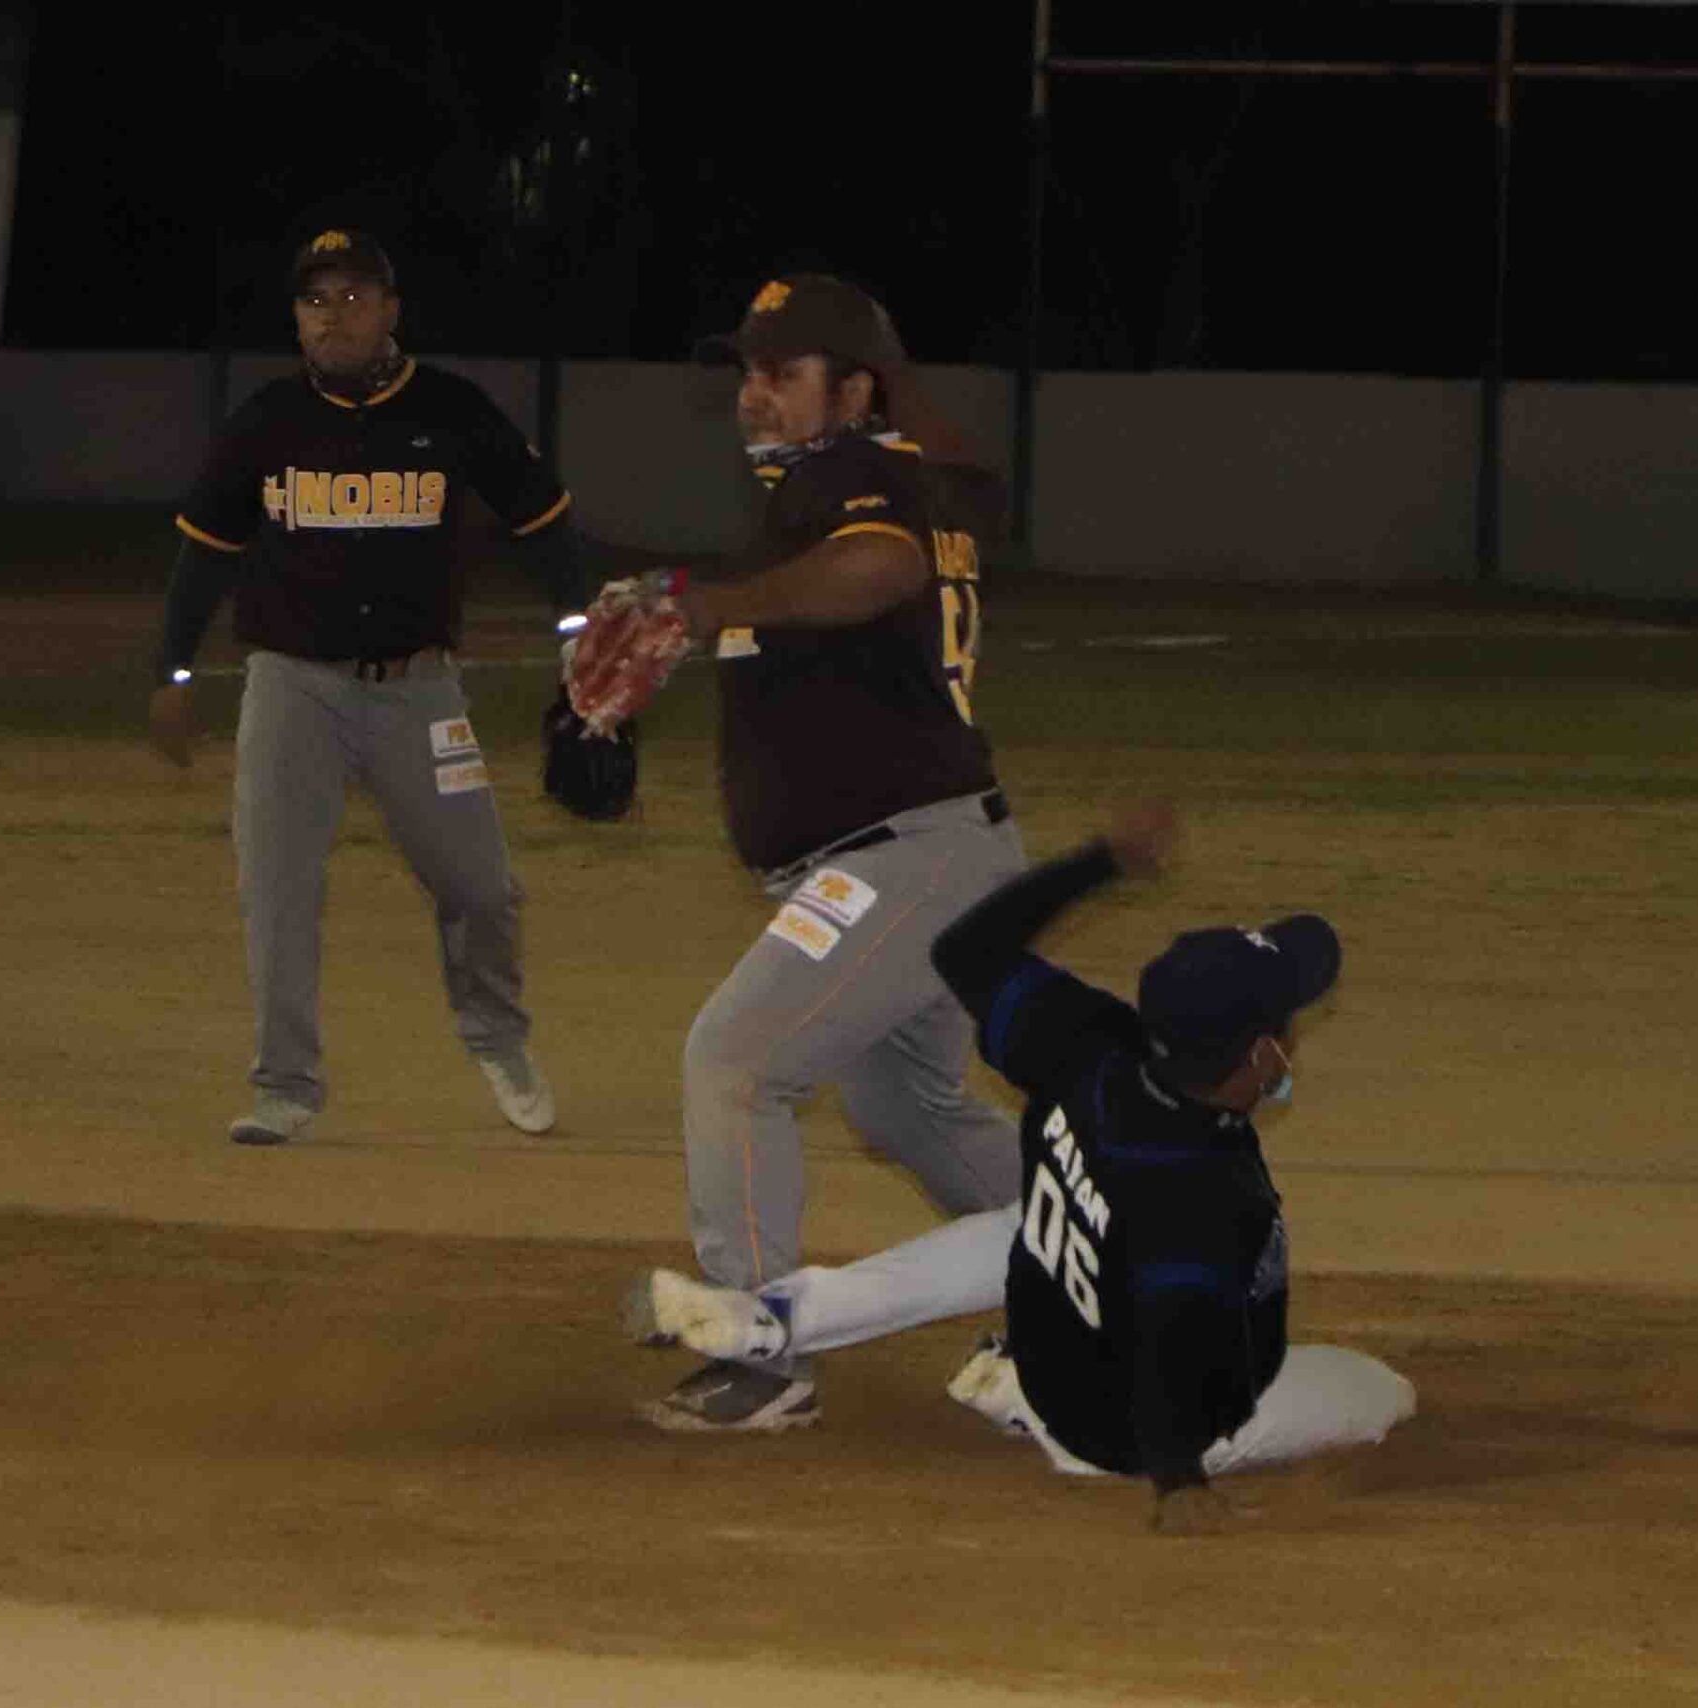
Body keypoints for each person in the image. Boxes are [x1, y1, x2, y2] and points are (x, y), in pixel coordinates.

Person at [622, 804, 1417, 1534]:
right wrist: (1181, 1483)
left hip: (1057, 1329)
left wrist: (1099, 863)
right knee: (1383, 1393)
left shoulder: (1093, 1043)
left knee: (1019, 1230)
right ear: (1261, 1055)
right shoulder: (1209, 1189)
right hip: (1120, 1430)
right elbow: (1176, 1350)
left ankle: (778, 1318)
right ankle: (1029, 1403)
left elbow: (965, 949)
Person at [630, 273, 1028, 1432]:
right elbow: (966, 494)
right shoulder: (907, 476)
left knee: (737, 1059)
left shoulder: (846, 475)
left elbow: (882, 567)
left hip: (902, 857)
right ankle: (1108, 1267)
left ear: (854, 391)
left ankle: (761, 1355)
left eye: (782, 371)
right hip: (933, 851)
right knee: (906, 1106)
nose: (753, 394)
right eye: (747, 372)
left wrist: (712, 606)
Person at [145, 227, 592, 1146]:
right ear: (295, 319)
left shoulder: (452, 409)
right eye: (315, 300)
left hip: (417, 691)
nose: (333, 315)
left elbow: (544, 522)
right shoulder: (267, 421)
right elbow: (205, 556)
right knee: (277, 889)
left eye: (354, 297)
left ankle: (497, 1037)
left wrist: (580, 636)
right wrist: (173, 670)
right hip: (290, 687)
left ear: (391, 310)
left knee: (480, 886)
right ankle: (284, 1086)